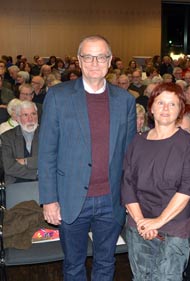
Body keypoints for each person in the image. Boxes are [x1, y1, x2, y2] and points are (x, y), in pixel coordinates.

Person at [38, 35, 136, 280]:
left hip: (110, 200)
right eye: (88, 56)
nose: (95, 62)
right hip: (71, 199)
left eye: (101, 56)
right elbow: (47, 151)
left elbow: (130, 154)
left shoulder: (124, 100)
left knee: (105, 263)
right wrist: (49, 199)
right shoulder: (58, 97)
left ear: (110, 61)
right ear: (79, 61)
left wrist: (130, 197)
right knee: (73, 265)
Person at [121, 82, 190, 280]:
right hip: (139, 223)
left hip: (174, 225)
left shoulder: (188, 143)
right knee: (142, 278)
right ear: (151, 108)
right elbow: (127, 184)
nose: (165, 108)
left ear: (180, 110)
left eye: (172, 104)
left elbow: (187, 187)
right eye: (161, 103)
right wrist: (142, 222)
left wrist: (158, 221)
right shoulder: (137, 141)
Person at [1, 101, 39, 185]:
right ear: (18, 118)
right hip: (16, 184)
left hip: (43, 183)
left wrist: (26, 161)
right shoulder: (7, 137)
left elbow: (52, 160)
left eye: (33, 114)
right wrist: (37, 172)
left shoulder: (47, 134)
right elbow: (9, 167)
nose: (30, 118)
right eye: (25, 115)